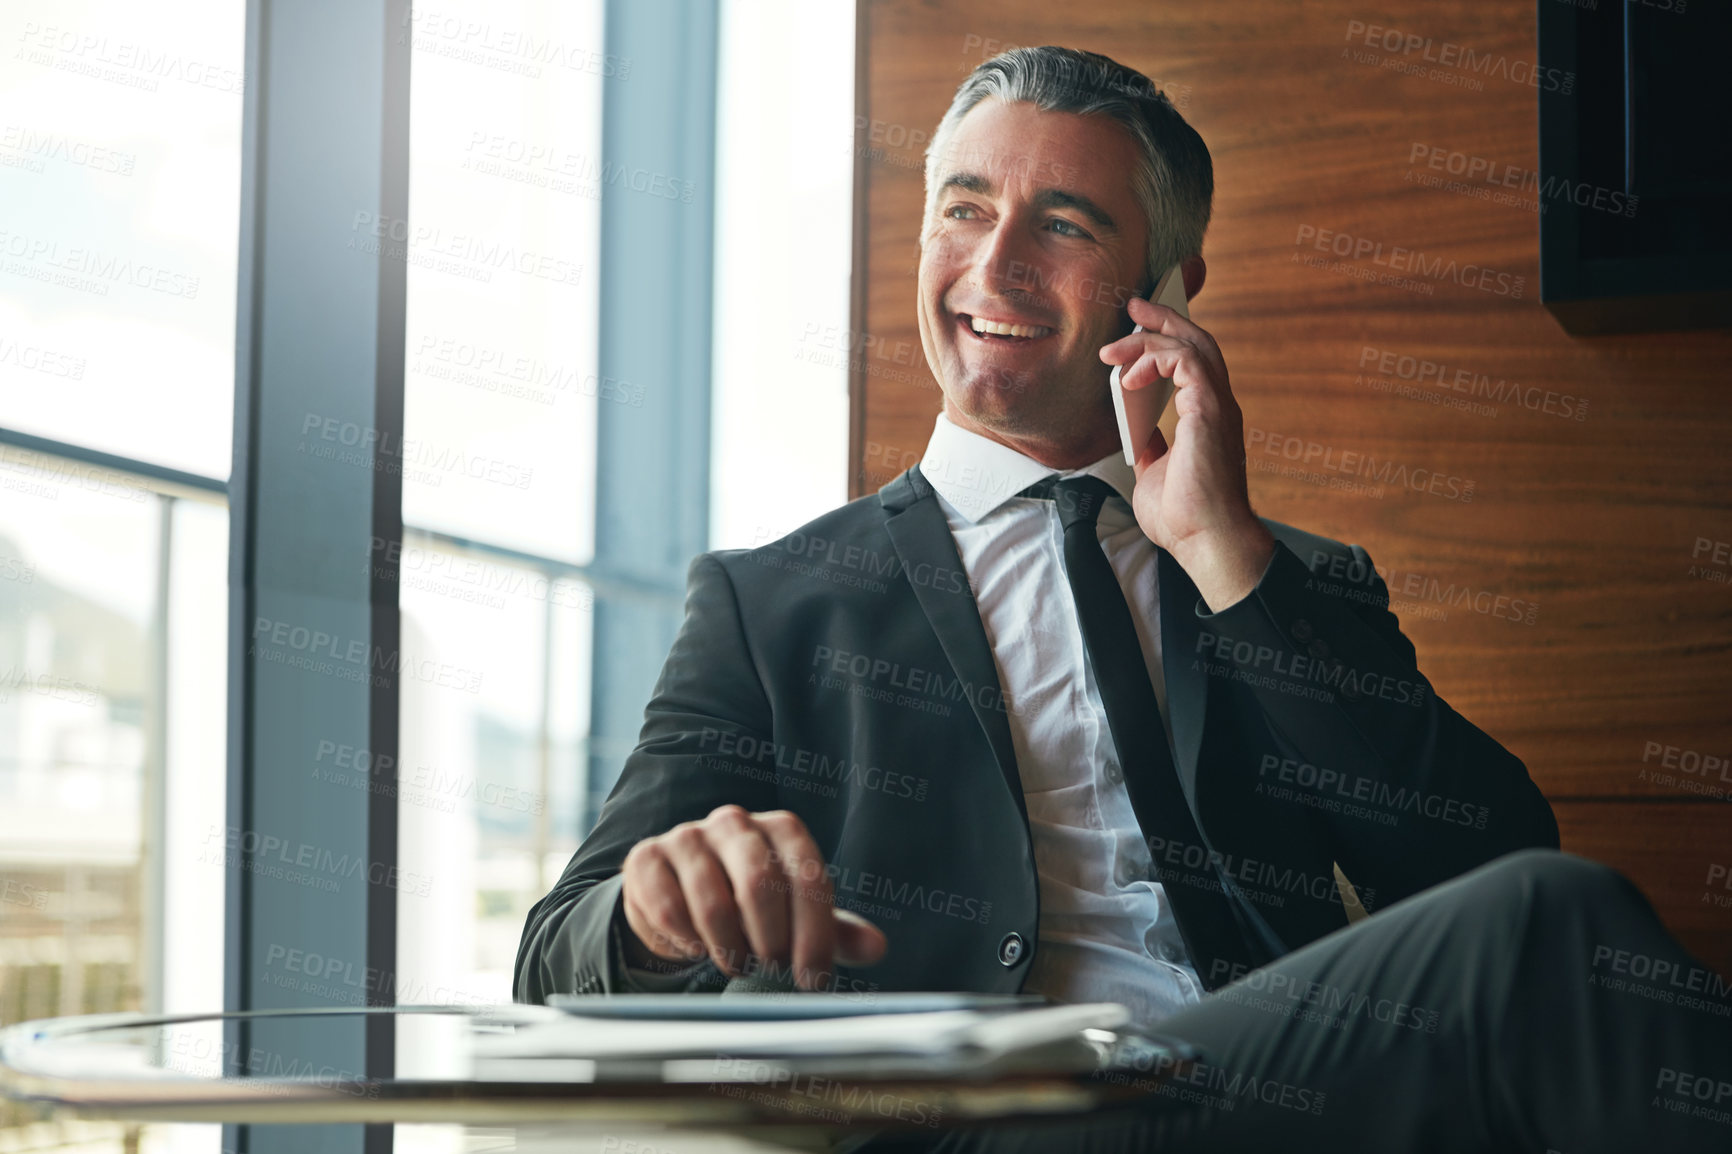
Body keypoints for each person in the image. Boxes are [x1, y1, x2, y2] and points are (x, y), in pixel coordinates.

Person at [516, 46, 1732, 1151]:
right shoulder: (771, 601)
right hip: (969, 1121)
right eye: (965, 210)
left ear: (1166, 286)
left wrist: (1225, 554)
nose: (995, 264)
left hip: (1271, 1096)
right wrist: (652, 912)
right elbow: (553, 957)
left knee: (1545, 922)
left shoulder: (1286, 581)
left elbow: (1481, 858)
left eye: (1062, 223)